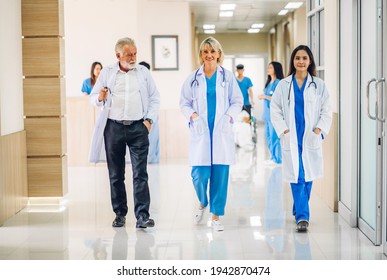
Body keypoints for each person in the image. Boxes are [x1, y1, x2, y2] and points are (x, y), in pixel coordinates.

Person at [89, 37, 160, 228]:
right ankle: (120, 214)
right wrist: (100, 97)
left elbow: (154, 97)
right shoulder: (107, 72)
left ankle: (142, 216)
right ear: (118, 55)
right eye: (129, 54)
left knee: (140, 173)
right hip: (113, 128)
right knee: (115, 174)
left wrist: (148, 121)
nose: (133, 57)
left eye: (135, 53)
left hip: (138, 127)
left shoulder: (143, 73)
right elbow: (93, 97)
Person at [180, 37, 243, 231]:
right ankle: (203, 201)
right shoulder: (193, 78)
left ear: (218, 54)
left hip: (221, 132)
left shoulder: (228, 76)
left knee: (220, 177)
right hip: (201, 132)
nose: (209, 55)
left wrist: (228, 117)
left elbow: (237, 101)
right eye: (205, 52)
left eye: (212, 51)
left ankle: (216, 217)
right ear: (201, 55)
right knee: (199, 175)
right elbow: (184, 102)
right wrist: (194, 116)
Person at [270, 45, 332, 232]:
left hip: (310, 135)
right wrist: (284, 131)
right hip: (291, 135)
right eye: (297, 58)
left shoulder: (319, 85)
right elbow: (275, 109)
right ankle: (303, 217)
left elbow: (326, 109)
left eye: (305, 58)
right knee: (297, 175)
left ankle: (299, 208)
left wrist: (319, 130)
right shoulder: (284, 85)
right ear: (293, 61)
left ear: (310, 61)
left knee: (308, 174)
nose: (301, 61)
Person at [258, 61, 284, 165]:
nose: (268, 69)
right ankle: (273, 157)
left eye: (270, 68)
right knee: (268, 137)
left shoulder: (279, 83)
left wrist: (264, 96)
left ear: (276, 69)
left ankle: (277, 159)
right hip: (267, 115)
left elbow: (277, 99)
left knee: (275, 137)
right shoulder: (269, 83)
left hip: (274, 116)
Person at [139, 61, 160, 164]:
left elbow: (155, 99)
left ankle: (153, 160)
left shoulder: (150, 83)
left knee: (153, 140)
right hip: (141, 117)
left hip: (151, 116)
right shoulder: (137, 83)